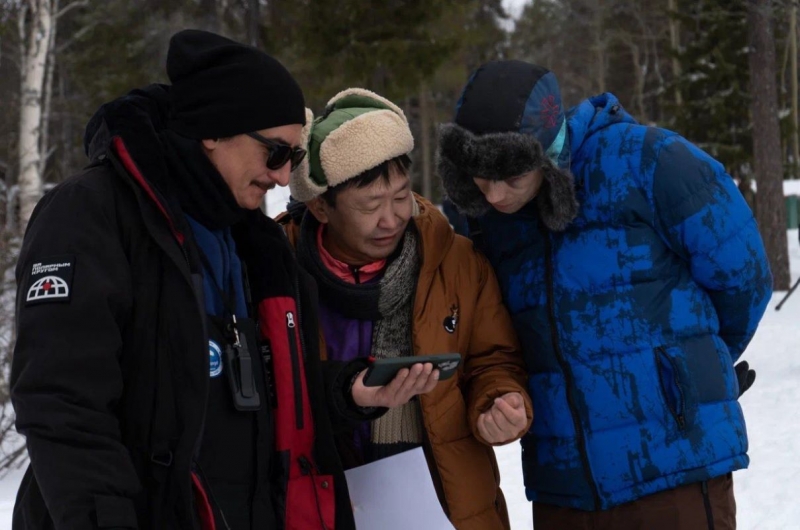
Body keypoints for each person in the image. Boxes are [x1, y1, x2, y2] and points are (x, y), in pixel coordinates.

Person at [9, 29, 395, 530]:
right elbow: (62, 404)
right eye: (275, 153)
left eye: (294, 159)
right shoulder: (92, 215)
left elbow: (252, 385)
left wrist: (347, 390)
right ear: (214, 130)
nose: (283, 178)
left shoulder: (256, 242)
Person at [436, 60, 773, 530]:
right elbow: (494, 337)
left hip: (675, 465)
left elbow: (745, 278)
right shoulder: (483, 220)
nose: (493, 195)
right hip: (564, 488)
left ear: (545, 149)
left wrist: (686, 370)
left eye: (511, 177)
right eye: (480, 176)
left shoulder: (649, 162)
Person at [279, 88, 533, 530]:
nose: (392, 218)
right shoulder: (276, 272)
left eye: (400, 196)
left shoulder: (456, 263)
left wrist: (498, 401)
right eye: (370, 205)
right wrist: (346, 395)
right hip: (322, 505)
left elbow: (493, 360)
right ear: (320, 206)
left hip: (449, 507)